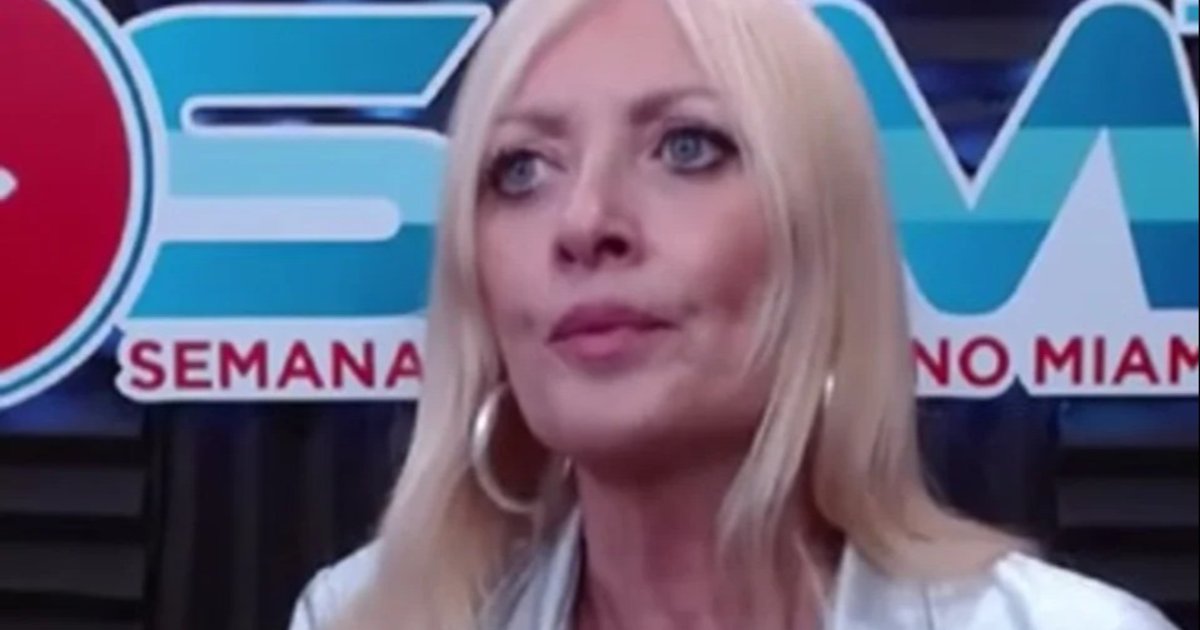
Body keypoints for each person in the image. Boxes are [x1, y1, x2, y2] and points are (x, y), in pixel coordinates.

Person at [290, 0, 1178, 628]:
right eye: (521, 169)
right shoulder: (359, 618)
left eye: (686, 147)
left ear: (820, 240)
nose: (584, 222)